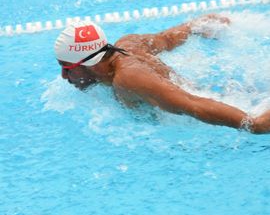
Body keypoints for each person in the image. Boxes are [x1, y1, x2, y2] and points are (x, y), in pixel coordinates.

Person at [54, 14, 270, 134]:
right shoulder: (128, 44)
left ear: (90, 64)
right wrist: (197, 26)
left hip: (216, 109)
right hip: (217, 94)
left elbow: (192, 104)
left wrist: (251, 123)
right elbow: (167, 39)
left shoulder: (128, 79)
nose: (64, 77)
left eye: (67, 68)